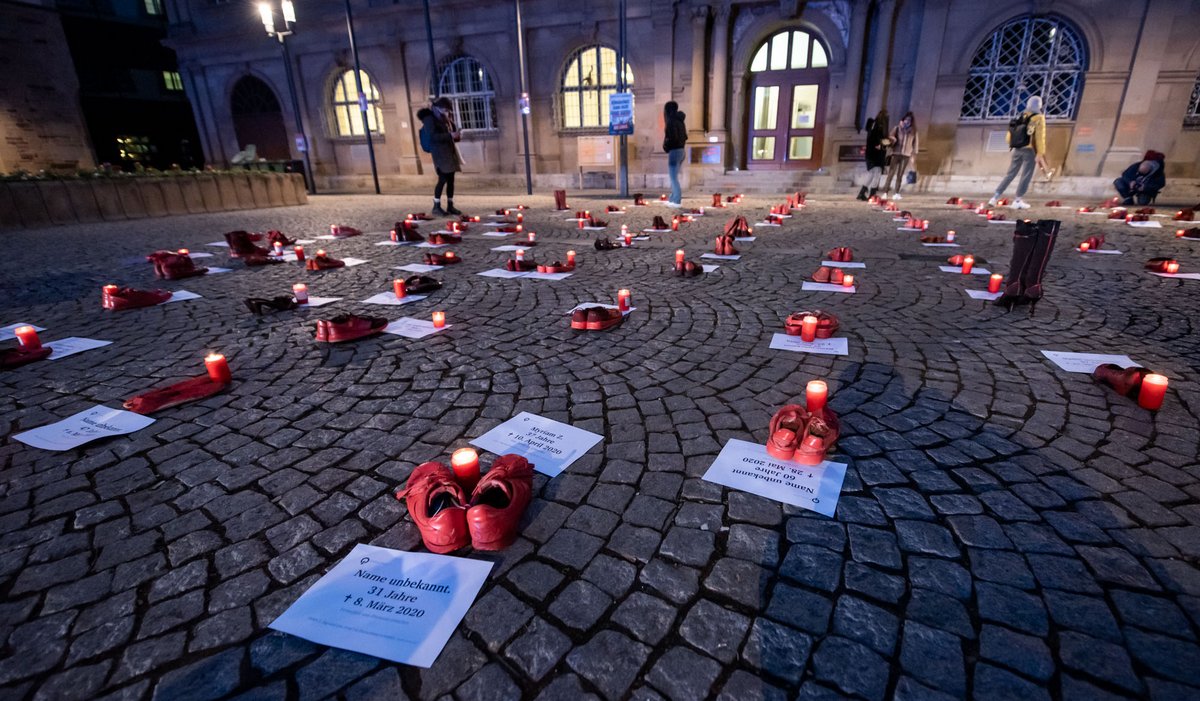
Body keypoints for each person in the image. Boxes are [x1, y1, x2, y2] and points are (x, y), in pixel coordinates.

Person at [988, 96, 1047, 209]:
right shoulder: (1039, 118)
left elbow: (1008, 137)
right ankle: (1018, 200)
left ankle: (995, 197)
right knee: (1026, 175)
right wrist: (1040, 153)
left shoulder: (1021, 116)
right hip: (1030, 150)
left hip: (1017, 149)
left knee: (1010, 174)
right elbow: (1040, 137)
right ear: (1039, 105)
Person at [417, 97, 463, 216]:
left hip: (448, 152)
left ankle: (450, 205)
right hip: (440, 154)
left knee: (451, 180)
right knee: (442, 179)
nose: (446, 111)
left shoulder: (443, 118)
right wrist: (449, 135)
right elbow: (433, 137)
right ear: (436, 108)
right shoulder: (429, 119)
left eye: (447, 110)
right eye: (444, 109)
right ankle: (436, 206)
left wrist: (455, 135)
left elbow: (449, 133)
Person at [881, 111, 918, 199]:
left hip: (906, 154)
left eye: (909, 120)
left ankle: (896, 193)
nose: (907, 121)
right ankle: (885, 192)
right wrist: (892, 139)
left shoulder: (913, 131)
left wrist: (914, 155)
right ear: (903, 119)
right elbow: (890, 137)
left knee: (900, 174)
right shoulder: (897, 128)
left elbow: (915, 144)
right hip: (896, 153)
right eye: (906, 119)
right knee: (891, 173)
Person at [857, 109, 889, 200]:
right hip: (876, 154)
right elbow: (880, 140)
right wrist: (884, 143)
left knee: (871, 174)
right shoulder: (878, 127)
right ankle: (872, 194)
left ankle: (862, 193)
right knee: (876, 174)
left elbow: (873, 139)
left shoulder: (873, 126)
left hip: (871, 153)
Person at [662, 101, 687, 207]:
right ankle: (673, 198)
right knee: (674, 176)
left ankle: (676, 200)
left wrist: (667, 145)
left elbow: (673, 138)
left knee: (673, 177)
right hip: (681, 150)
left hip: (675, 151)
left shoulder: (671, 121)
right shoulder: (680, 121)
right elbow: (685, 137)